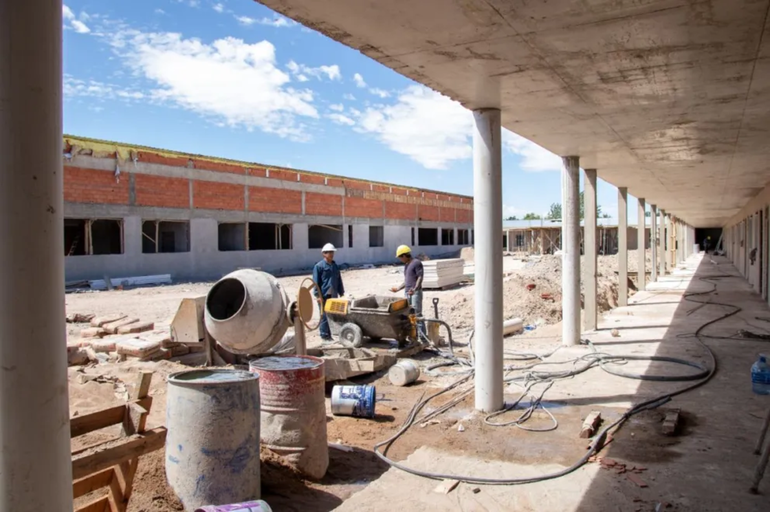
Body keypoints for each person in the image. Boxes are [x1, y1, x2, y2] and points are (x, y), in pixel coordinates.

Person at [390, 245, 425, 338]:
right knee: (409, 315)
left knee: (417, 314)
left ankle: (422, 337)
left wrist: (415, 289)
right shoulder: (407, 265)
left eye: (400, 257)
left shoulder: (417, 263)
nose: (400, 260)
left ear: (404, 256)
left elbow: (420, 277)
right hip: (407, 293)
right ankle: (413, 335)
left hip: (415, 293)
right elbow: (406, 281)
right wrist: (398, 288)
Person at [313, 243, 345, 342]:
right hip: (323, 295)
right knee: (324, 315)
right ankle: (324, 336)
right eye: (329, 252)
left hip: (333, 295)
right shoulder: (319, 266)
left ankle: (330, 335)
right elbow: (316, 282)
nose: (331, 254)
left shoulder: (334, 266)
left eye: (332, 252)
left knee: (332, 315)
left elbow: (339, 280)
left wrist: (342, 292)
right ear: (324, 254)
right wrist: (318, 295)